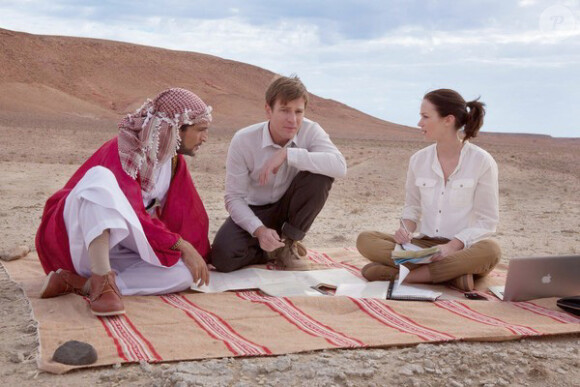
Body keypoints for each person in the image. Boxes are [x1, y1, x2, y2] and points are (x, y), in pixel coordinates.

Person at [35, 88, 212, 316]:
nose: (204, 138)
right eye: (201, 130)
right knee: (100, 179)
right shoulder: (124, 150)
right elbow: (131, 209)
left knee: (186, 274)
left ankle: (87, 285)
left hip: (118, 248)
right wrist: (180, 245)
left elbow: (188, 215)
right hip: (78, 238)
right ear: (176, 127)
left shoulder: (173, 162)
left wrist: (201, 255)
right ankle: (100, 277)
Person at [356, 88, 501, 291]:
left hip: (462, 250)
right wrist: (405, 230)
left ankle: (407, 276)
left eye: (425, 116)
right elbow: (412, 207)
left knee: (491, 250)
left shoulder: (481, 161)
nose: (419, 123)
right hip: (424, 248)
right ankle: (452, 278)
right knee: (365, 239)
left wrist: (452, 247)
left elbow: (487, 220)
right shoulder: (418, 160)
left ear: (447, 120)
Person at [211, 75, 347, 272]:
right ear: (268, 110)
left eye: (298, 111)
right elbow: (234, 198)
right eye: (284, 110)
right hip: (254, 209)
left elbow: (339, 166)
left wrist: (288, 154)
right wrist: (259, 230)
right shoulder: (243, 140)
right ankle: (271, 249)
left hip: (288, 208)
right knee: (223, 258)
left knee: (321, 175)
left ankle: (289, 243)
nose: (293, 120)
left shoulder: (311, 130)